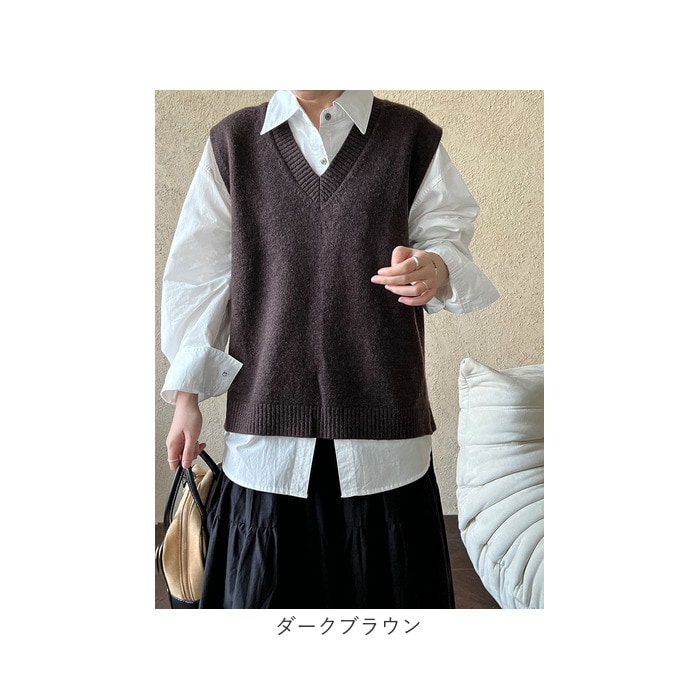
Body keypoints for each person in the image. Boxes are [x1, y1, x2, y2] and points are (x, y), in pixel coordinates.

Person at [160, 90, 499, 608]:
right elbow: (200, 278)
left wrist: (436, 267)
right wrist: (187, 401)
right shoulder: (234, 143)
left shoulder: (409, 138)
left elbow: (447, 235)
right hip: (266, 443)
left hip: (384, 440)